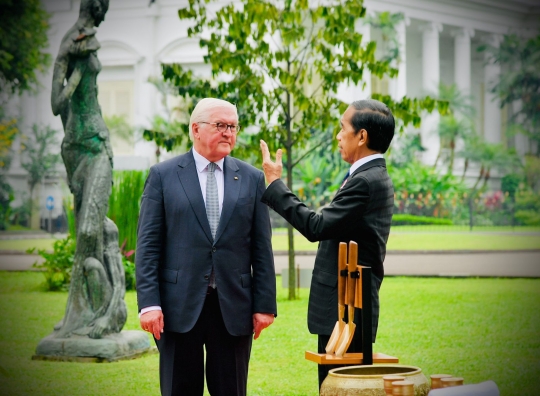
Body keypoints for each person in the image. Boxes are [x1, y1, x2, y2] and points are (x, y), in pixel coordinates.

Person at [136, 98, 277, 396]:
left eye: (233, 126)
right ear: (195, 129)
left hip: (232, 307)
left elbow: (262, 248)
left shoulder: (251, 178)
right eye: (220, 125)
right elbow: (148, 246)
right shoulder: (163, 175)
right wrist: (149, 303)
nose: (228, 132)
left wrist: (264, 305)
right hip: (178, 307)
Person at [260, 99, 395, 388]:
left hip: (348, 309)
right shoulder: (367, 176)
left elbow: (316, 226)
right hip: (345, 304)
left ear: (362, 136)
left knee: (339, 389)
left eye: (342, 127)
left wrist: (274, 185)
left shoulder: (366, 181)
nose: (337, 135)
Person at [50, 0, 127, 340]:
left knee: (89, 233)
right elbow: (56, 104)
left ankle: (103, 314)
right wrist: (75, 74)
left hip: (97, 144)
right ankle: (80, 313)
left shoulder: (87, 37)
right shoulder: (71, 41)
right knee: (91, 233)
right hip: (75, 148)